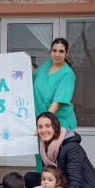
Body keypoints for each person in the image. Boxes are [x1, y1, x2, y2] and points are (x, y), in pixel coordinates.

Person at [33, 37, 77, 173]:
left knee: (55, 159)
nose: (57, 54)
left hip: (58, 122)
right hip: (43, 122)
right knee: (41, 156)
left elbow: (57, 102)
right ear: (50, 51)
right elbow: (30, 75)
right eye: (54, 50)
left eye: (61, 51)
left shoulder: (67, 74)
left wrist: (45, 124)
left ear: (66, 53)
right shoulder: (45, 66)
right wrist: (23, 59)